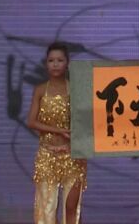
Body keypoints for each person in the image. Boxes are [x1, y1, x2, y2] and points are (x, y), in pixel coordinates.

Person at [27, 42, 87, 224]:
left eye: (60, 60)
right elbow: (31, 122)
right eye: (51, 60)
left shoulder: (75, 89)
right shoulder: (40, 90)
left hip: (72, 155)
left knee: (72, 209)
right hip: (47, 155)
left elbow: (84, 122)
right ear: (46, 63)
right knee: (46, 209)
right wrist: (60, 131)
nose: (55, 64)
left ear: (67, 63)